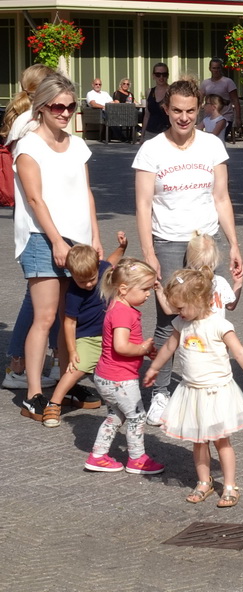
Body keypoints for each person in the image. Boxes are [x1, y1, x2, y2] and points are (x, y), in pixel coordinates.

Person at [133, 78, 243, 427]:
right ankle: (161, 392)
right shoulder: (152, 150)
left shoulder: (212, 146)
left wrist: (235, 244)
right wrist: (149, 252)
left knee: (211, 312)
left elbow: (221, 197)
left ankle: (210, 385)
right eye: (177, 111)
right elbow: (143, 204)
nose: (184, 118)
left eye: (190, 111)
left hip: (205, 242)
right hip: (167, 241)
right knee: (169, 319)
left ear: (200, 109)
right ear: (166, 110)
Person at [13, 72, 103, 422]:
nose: (65, 113)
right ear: (41, 108)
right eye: (57, 107)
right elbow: (35, 199)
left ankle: (69, 382)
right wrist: (55, 240)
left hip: (79, 239)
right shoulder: (28, 146)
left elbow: (87, 193)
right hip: (42, 238)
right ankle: (33, 393)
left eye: (70, 106)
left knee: (72, 316)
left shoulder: (77, 144)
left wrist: (94, 236)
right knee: (46, 316)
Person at [145, 268, 243, 507]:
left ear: (198, 300)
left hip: (217, 391)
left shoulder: (220, 324)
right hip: (192, 391)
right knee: (198, 440)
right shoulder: (181, 323)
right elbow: (169, 348)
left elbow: (240, 353)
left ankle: (230, 485)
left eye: (180, 307)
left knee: (222, 440)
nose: (177, 312)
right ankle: (203, 482)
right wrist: (154, 368)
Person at [1, 63, 60, 392]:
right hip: (39, 221)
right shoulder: (29, 123)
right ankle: (18, 363)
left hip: (45, 218)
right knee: (36, 298)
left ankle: (43, 360)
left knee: (47, 296)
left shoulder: (24, 118)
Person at [41, 233, 129, 428]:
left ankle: (121, 403)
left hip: (108, 334)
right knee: (76, 369)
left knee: (115, 369)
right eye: (82, 281)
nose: (88, 284)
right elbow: (69, 323)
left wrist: (122, 248)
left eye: (91, 279)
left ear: (97, 268)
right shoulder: (73, 293)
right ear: (72, 275)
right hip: (87, 338)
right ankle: (54, 404)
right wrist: (72, 352)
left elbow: (111, 262)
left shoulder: (102, 268)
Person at [85, 257, 163, 474]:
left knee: (115, 416)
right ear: (124, 289)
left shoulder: (117, 305)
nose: (148, 294)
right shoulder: (122, 312)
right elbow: (121, 346)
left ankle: (98, 455)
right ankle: (137, 459)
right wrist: (143, 349)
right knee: (137, 417)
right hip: (120, 379)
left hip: (106, 377)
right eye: (145, 289)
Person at [184, 231, 242, 314]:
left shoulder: (185, 283)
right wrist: (238, 283)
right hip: (218, 327)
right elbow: (230, 305)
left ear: (189, 259)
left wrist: (160, 291)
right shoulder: (220, 282)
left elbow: (172, 309)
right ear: (215, 259)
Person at [200, 58, 242, 141]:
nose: (216, 70)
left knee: (217, 139)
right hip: (209, 117)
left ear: (221, 68)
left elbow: (235, 100)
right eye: (214, 68)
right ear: (210, 69)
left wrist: (238, 118)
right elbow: (200, 100)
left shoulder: (228, 82)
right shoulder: (205, 83)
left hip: (225, 116)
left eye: (218, 68)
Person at [140, 63, 171, 141]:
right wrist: (142, 135)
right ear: (153, 76)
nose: (161, 77)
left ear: (168, 76)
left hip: (168, 133)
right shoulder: (149, 91)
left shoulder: (172, 91)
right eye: (158, 74)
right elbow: (147, 114)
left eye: (164, 74)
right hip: (150, 133)